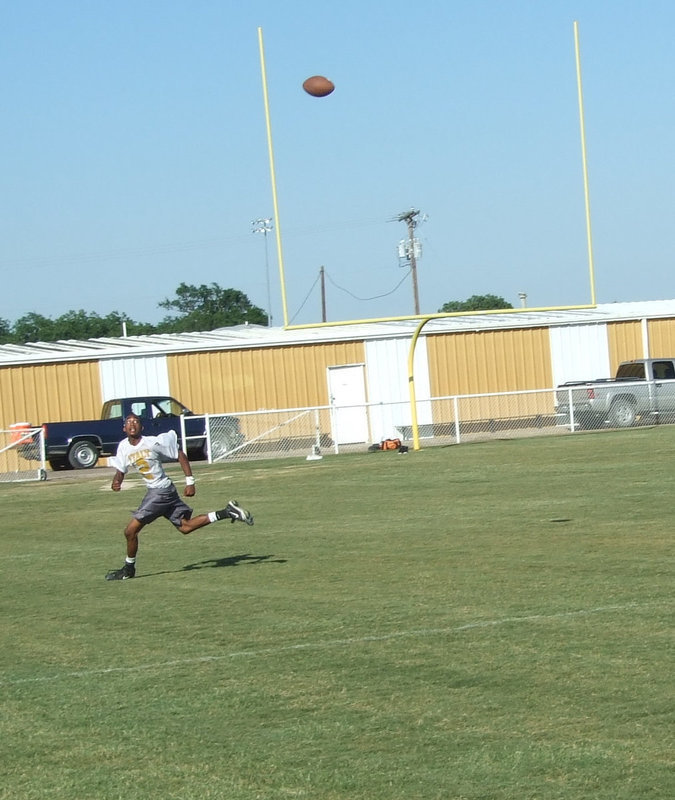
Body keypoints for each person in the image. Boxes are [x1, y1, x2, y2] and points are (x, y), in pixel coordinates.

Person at [105, 413, 253, 581]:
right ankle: (227, 512)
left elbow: (180, 454)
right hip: (165, 491)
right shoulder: (124, 447)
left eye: (136, 421)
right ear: (124, 428)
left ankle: (128, 569)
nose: (132, 424)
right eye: (129, 422)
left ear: (142, 427)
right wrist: (116, 482)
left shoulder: (152, 442)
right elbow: (120, 471)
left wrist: (190, 481)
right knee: (186, 527)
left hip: (159, 493)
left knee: (130, 531)